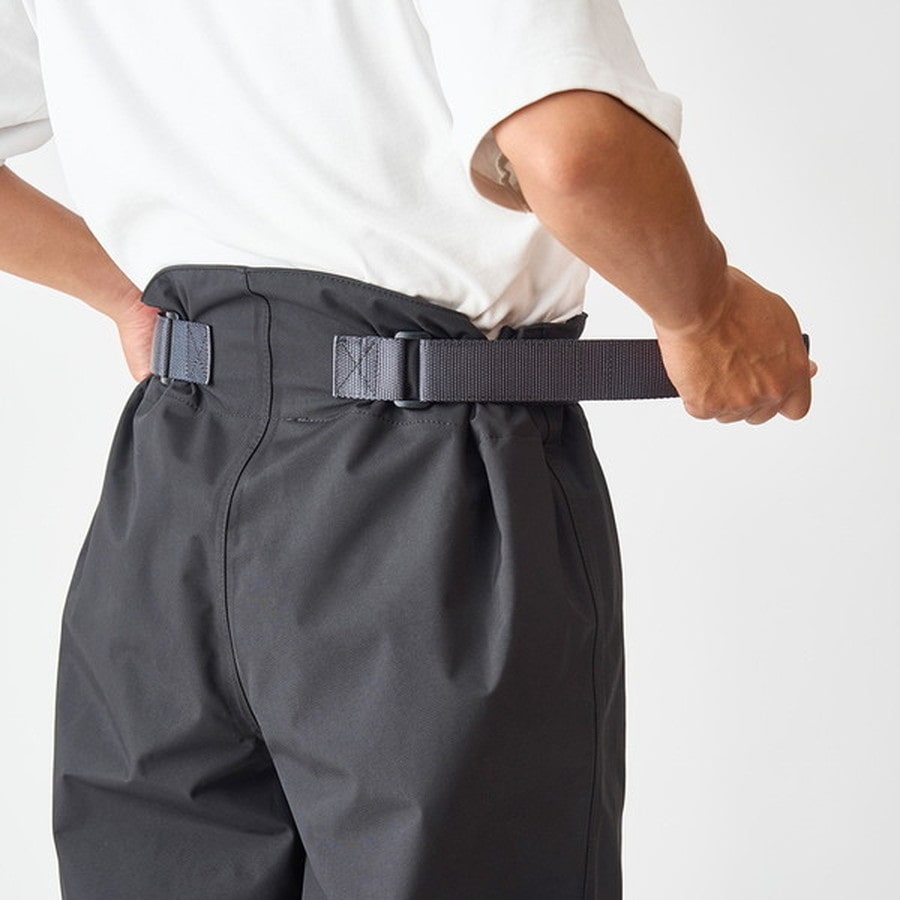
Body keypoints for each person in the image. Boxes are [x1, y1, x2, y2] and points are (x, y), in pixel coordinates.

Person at [1, 1, 816, 898]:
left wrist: (123, 296)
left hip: (170, 492)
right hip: (422, 495)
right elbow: (570, 151)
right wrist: (705, 313)